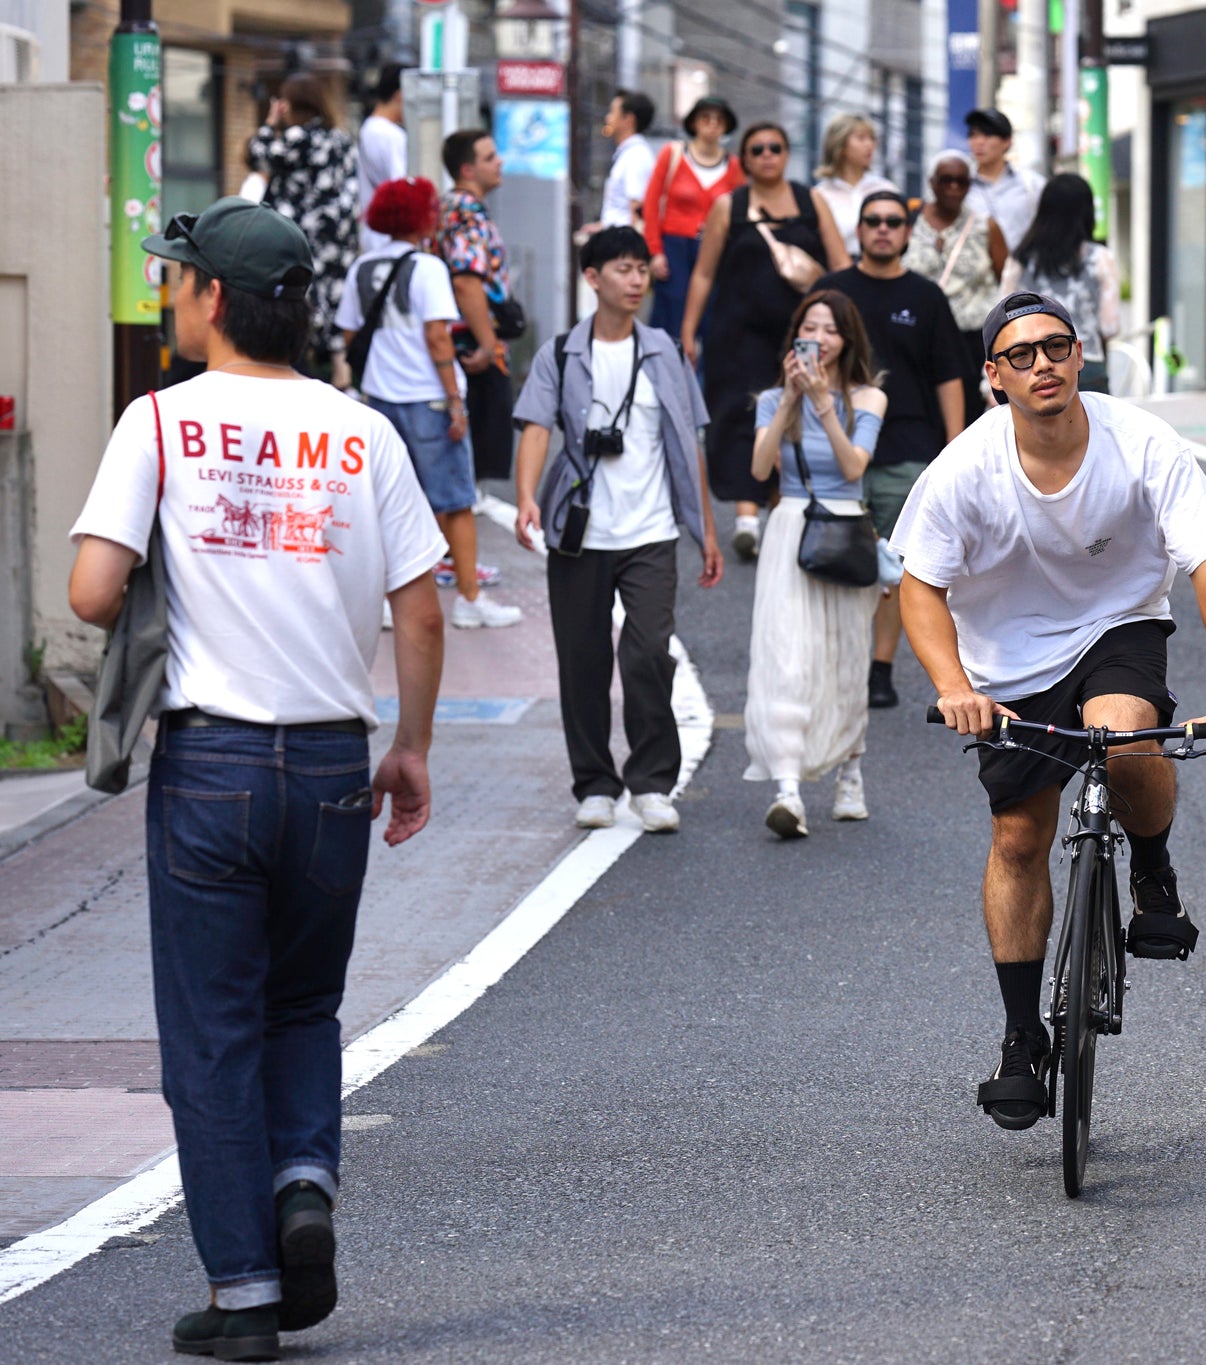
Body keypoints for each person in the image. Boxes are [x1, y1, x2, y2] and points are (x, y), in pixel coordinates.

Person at [67, 198, 445, 1359]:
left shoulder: (161, 424)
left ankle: (243, 1293)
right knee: (301, 1005)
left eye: (179, 280)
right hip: (332, 761)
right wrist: (411, 747)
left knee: (212, 1029)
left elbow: (91, 591)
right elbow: (420, 606)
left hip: (212, 766)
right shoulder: (362, 431)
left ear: (215, 298)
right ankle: (302, 1186)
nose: (172, 296)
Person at [895, 291, 1206, 1130]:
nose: (1042, 366)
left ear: (1080, 355)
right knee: (1019, 835)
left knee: (1124, 737)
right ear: (993, 376)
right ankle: (1023, 1037)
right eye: (1020, 356)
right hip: (1006, 658)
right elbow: (920, 587)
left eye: (1055, 348)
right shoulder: (964, 467)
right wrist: (954, 685)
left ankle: (1153, 867)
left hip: (1117, 626)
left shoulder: (1141, 443)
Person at [513, 227, 724, 833]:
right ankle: (595, 784)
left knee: (647, 654)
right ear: (593, 278)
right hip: (580, 533)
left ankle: (653, 782)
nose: (636, 281)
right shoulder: (560, 354)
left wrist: (705, 531)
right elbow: (533, 427)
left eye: (641, 270)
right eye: (623, 270)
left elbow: (691, 443)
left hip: (651, 531)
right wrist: (526, 496)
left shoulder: (665, 352)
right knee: (581, 662)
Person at [339, 178, 521, 631]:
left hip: (379, 400)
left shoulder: (362, 266)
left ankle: (380, 601)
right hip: (430, 400)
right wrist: (456, 402)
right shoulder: (428, 267)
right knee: (456, 501)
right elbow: (437, 335)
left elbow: (348, 335)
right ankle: (469, 598)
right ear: (422, 217)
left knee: (384, 503)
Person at [745, 290, 888, 837]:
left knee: (846, 656)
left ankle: (849, 771)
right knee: (787, 658)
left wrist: (826, 406)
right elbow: (760, 470)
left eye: (831, 330)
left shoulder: (868, 399)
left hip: (846, 528)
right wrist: (787, 400)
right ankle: (787, 788)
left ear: (847, 340)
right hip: (791, 528)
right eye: (811, 329)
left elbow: (854, 468)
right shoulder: (771, 399)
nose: (820, 340)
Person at [818, 190, 967, 709]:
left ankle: (879, 668)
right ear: (858, 230)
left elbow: (950, 376)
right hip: (834, 448)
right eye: (872, 221)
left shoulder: (927, 297)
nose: (882, 229)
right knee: (834, 558)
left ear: (906, 233)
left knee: (897, 570)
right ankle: (839, 662)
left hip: (908, 449)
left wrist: (953, 452)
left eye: (892, 222)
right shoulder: (831, 292)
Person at [681, 120, 851, 560]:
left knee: (795, 414)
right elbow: (703, 272)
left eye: (775, 147)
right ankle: (746, 517)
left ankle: (781, 511)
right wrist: (688, 329)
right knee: (741, 416)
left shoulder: (810, 201)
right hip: (736, 336)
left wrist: (843, 326)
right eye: (756, 150)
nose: (766, 156)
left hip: (800, 336)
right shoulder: (729, 207)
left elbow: (839, 264)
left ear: (787, 153)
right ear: (745, 158)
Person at [248, 73, 359, 381]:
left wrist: (271, 123)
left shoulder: (300, 138)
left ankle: (304, 366)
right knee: (334, 298)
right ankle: (341, 369)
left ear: (289, 105)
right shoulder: (341, 139)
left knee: (300, 299)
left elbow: (260, 155)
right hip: (338, 236)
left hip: (302, 235)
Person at [436, 129, 517, 485]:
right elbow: (466, 280)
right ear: (467, 170)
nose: (499, 162)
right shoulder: (466, 212)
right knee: (474, 468)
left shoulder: (450, 207)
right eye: (489, 157)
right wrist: (488, 344)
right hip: (473, 349)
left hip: (462, 345)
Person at [903, 147, 1009, 402]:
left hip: (970, 341)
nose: (953, 187)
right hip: (917, 337)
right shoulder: (908, 221)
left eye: (961, 181)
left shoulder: (986, 226)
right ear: (932, 183)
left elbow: (1005, 279)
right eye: (945, 180)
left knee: (968, 416)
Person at [1000, 173, 1121, 393]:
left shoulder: (1019, 261)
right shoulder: (1100, 258)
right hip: (1086, 368)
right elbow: (1110, 327)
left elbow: (1002, 323)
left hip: (1028, 369)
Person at [642, 95, 744, 340]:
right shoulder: (673, 155)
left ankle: (705, 377)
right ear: (694, 123)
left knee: (712, 319)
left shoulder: (733, 166)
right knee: (671, 320)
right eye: (705, 118)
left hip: (715, 250)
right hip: (675, 248)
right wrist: (654, 252)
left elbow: (739, 213)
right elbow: (651, 204)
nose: (712, 124)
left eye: (719, 120)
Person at [812, 112, 898, 259]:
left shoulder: (886, 189)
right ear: (840, 144)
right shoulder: (820, 195)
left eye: (872, 138)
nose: (870, 144)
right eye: (861, 138)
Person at [964, 108, 1046, 254]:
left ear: (1007, 142)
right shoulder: (960, 187)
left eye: (988, 135)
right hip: (975, 273)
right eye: (973, 135)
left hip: (1021, 272)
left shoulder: (1033, 185)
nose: (979, 142)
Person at [355, 65, 407, 253]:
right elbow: (402, 187)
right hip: (392, 238)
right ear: (401, 95)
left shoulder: (369, 128)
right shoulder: (390, 135)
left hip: (374, 234)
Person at [600, 89, 658, 230]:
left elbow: (637, 211)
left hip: (624, 246)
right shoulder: (629, 154)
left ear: (628, 119)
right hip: (616, 240)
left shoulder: (637, 156)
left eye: (612, 112)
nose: (608, 118)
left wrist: (632, 250)